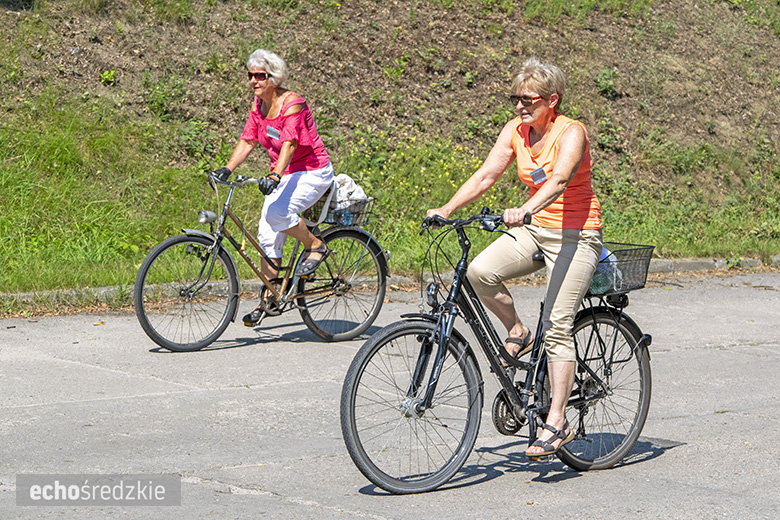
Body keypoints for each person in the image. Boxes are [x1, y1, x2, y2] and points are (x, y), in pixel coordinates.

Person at [427, 56, 603, 458]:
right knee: (479, 271)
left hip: (576, 234)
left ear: (552, 100)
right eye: (516, 98)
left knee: (558, 327)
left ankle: (557, 421)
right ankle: (518, 331)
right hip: (536, 229)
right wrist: (447, 209)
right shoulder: (516, 131)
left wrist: (527, 208)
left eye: (529, 99)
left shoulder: (571, 132)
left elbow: (559, 179)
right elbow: (486, 175)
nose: (520, 106)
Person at [211, 49, 334, 326]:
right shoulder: (259, 104)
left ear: (274, 78)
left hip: (312, 171)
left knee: (277, 214)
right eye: (251, 76)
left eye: (260, 76)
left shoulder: (293, 104)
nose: (254, 81)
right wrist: (227, 168)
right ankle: (271, 296)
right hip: (285, 172)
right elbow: (248, 140)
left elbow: (289, 143)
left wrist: (276, 176)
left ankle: (316, 245)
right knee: (266, 233)